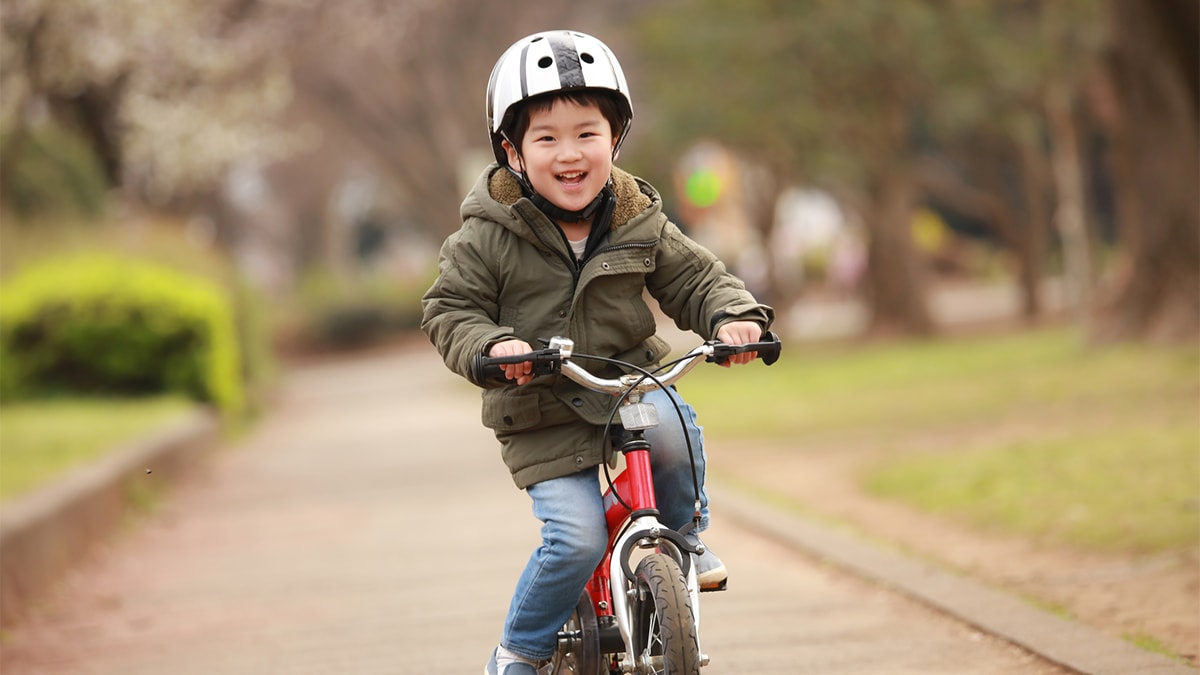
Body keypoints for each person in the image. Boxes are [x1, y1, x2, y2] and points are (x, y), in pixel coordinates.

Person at [420, 30, 774, 675]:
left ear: (616, 139)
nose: (570, 154)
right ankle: (519, 652)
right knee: (575, 538)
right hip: (542, 410)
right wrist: (495, 345)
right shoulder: (486, 237)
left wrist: (734, 318)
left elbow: (697, 279)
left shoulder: (640, 220)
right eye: (547, 138)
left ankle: (685, 544)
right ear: (512, 151)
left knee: (672, 431)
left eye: (587, 133)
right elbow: (450, 310)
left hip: (628, 387)